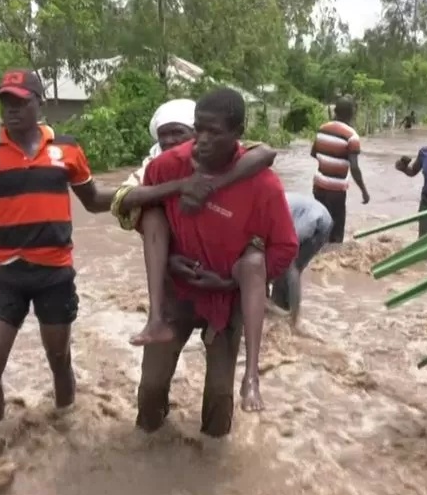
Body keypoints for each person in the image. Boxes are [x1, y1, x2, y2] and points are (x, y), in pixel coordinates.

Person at [0, 69, 116, 432]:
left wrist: (141, 195)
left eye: (20, 102)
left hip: (55, 273)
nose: (11, 109)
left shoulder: (68, 149)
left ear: (39, 103)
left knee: (59, 359)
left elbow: (92, 200)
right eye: (5, 101)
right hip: (7, 274)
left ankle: (65, 427)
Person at [136, 87, 298, 436]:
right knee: (150, 387)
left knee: (220, 395)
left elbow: (285, 248)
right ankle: (147, 454)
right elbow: (148, 220)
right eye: (199, 129)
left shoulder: (263, 186)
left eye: (215, 133)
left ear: (239, 134)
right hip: (176, 291)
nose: (203, 141)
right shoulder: (167, 166)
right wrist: (169, 262)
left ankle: (211, 462)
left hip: (224, 299)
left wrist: (228, 282)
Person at [109, 98, 278, 345]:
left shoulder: (225, 156)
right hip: (173, 274)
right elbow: (120, 200)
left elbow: (265, 152)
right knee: (153, 382)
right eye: (163, 135)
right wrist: (180, 186)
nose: (168, 141)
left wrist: (214, 185)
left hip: (221, 274)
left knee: (220, 377)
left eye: (178, 132)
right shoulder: (155, 166)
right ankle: (156, 321)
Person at [311, 96, 370, 244]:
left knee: (320, 228)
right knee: (336, 234)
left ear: (335, 111)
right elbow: (354, 167)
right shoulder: (352, 136)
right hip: (336, 191)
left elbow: (314, 153)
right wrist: (364, 190)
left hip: (318, 187)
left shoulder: (322, 129)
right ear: (352, 114)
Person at [268, 193, 333, 326]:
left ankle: (294, 318)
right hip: (319, 217)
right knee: (283, 267)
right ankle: (281, 309)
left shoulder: (269, 210)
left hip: (315, 222)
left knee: (291, 266)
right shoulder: (269, 202)